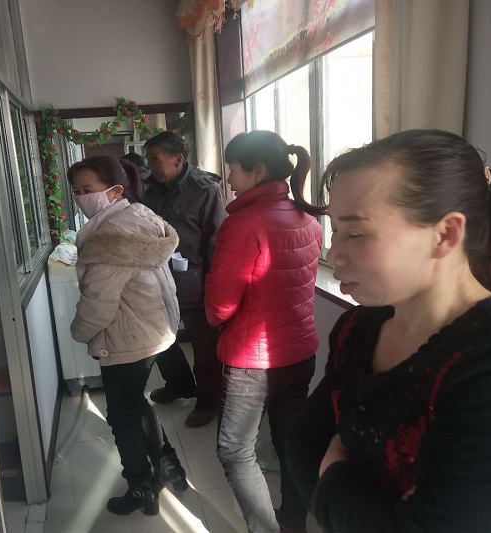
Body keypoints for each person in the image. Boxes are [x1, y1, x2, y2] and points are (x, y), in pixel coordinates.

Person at [286, 130, 491, 532]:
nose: (334, 253)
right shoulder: (359, 328)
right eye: (335, 231)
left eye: (355, 233)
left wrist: (335, 475)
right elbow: (304, 445)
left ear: (446, 234)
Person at [205, 131, 323, 533]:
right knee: (290, 443)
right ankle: (293, 523)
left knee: (235, 451)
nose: (229, 178)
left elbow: (219, 307)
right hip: (299, 351)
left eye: (233, 169)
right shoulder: (306, 218)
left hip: (251, 360)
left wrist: (217, 318)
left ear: (257, 170)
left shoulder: (243, 224)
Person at [69, 156, 188, 516]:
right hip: (153, 327)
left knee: (122, 416)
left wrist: (79, 332)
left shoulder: (110, 236)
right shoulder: (139, 215)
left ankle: (141, 488)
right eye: (76, 191)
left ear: (115, 190)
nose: (81, 197)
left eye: (88, 190)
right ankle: (167, 464)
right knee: (136, 403)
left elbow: (98, 304)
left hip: (126, 336)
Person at [142, 131, 227, 428]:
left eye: (155, 159)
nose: (150, 165)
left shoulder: (204, 189)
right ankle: (179, 383)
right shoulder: (150, 188)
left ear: (177, 160)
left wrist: (215, 287)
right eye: (148, 159)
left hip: (194, 283)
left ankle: (208, 401)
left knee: (204, 348)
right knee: (157, 339)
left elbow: (217, 241)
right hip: (155, 278)